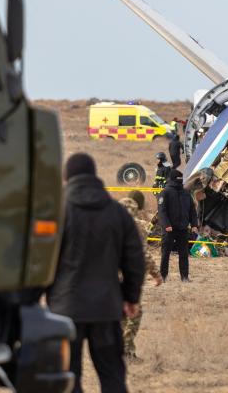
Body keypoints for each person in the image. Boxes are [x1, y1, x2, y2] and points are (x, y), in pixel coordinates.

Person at [47, 153, 145, 393]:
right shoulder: (117, 213)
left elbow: (40, 258)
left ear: (66, 176)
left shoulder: (56, 212)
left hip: (66, 309)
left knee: (69, 377)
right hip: (107, 308)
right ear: (94, 176)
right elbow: (135, 258)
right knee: (112, 376)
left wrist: (37, 297)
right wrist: (130, 297)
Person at [118, 196, 163, 361]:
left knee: (121, 314)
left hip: (109, 278)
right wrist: (156, 274)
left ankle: (125, 352)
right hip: (128, 277)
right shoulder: (136, 227)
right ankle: (125, 349)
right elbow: (144, 253)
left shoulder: (107, 225)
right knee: (134, 313)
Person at [157, 169, 198, 282]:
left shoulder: (186, 193)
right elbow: (162, 211)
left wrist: (194, 224)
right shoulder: (165, 192)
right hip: (169, 229)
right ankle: (163, 276)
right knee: (165, 254)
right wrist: (166, 225)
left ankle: (184, 277)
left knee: (184, 254)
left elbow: (192, 211)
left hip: (183, 229)